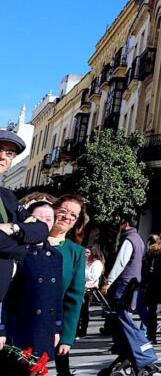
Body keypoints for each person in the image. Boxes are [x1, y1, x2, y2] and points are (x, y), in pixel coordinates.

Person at [0, 200, 62, 361]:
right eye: (37, 218)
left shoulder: (55, 255)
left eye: (48, 219)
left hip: (43, 329)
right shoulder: (14, 251)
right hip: (17, 326)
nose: (42, 223)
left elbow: (56, 296)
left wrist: (56, 327)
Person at [100, 216, 161, 376]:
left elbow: (121, 262)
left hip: (123, 284)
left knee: (119, 316)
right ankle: (125, 349)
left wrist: (109, 282)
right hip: (133, 284)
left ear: (125, 224)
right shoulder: (139, 239)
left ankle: (128, 349)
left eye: (120, 223)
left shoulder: (129, 240)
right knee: (121, 317)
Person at [0, 130, 51, 302]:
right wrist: (24, 245)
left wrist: (13, 228)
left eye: (9, 153)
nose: (3, 157)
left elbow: (41, 229)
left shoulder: (7, 196)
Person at [49, 195, 88, 376]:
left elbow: (74, 297)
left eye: (73, 215)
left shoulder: (76, 252)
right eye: (63, 211)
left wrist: (67, 337)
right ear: (53, 210)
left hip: (52, 326)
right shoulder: (28, 241)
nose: (67, 217)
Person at [78, 246, 105, 337]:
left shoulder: (97, 263)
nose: (86, 255)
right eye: (85, 252)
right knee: (78, 309)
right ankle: (77, 328)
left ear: (93, 253)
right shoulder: (84, 262)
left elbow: (92, 277)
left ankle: (83, 329)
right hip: (81, 286)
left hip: (90, 289)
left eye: (88, 252)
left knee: (85, 309)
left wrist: (81, 274)